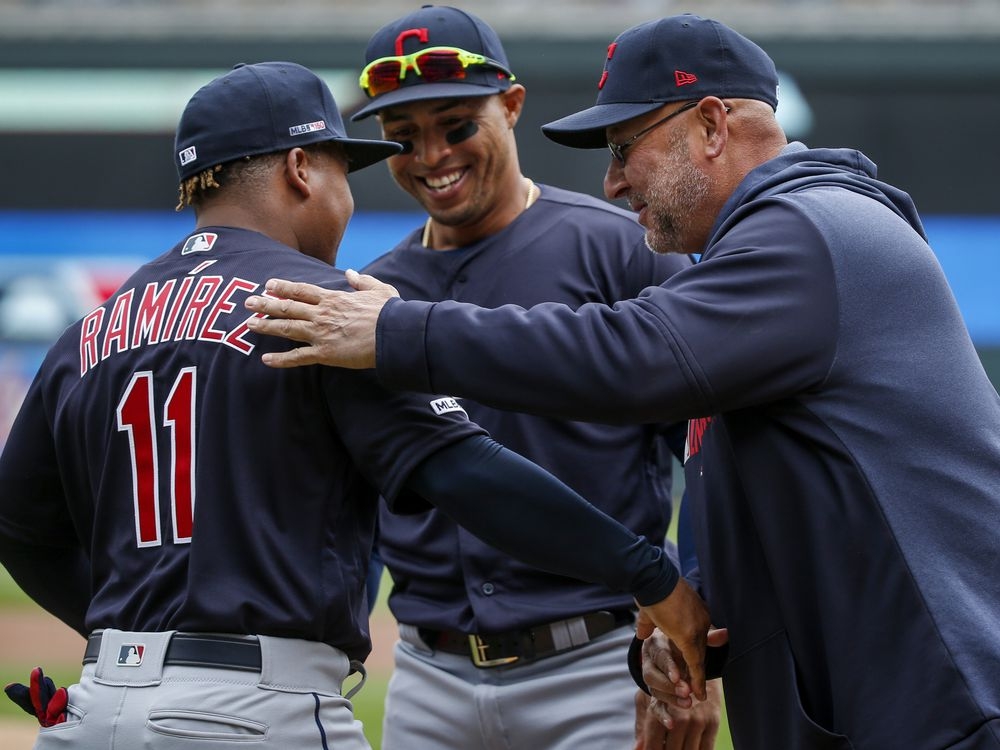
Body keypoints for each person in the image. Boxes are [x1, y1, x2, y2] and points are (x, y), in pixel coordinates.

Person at [242, 13, 1000, 750]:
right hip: (878, 682)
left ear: (710, 125)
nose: (611, 181)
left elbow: (637, 355)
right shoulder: (779, 238)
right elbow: (732, 470)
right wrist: (701, 610)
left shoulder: (808, 230)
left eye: (624, 146)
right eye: (402, 135)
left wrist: (401, 330)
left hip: (933, 693)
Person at [0, 60, 717, 750]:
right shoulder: (319, 309)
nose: (348, 194)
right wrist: (649, 574)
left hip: (98, 704)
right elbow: (466, 472)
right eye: (343, 168)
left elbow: (19, 526)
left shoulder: (91, 330)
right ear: (300, 169)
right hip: (254, 710)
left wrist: (135, 646)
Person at [348, 6, 720, 750]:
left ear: (512, 105)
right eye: (403, 138)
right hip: (429, 672)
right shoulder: (374, 293)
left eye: (456, 126)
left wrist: (698, 653)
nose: (431, 155)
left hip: (596, 665)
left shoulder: (621, 249)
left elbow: (711, 452)